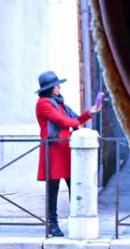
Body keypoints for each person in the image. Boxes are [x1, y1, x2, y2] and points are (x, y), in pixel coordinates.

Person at [35, 71, 103, 237]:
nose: (59, 87)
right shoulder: (43, 104)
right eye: (56, 85)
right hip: (53, 150)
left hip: (66, 149)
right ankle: (52, 224)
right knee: (53, 188)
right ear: (50, 88)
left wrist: (91, 112)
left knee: (74, 185)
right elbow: (62, 121)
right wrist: (77, 125)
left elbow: (76, 119)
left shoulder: (59, 103)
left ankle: (78, 220)